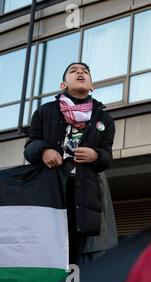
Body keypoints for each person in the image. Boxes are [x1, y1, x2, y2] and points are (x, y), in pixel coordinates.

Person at [24, 62, 115, 265]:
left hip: (85, 193)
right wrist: (43, 150)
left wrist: (96, 156)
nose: (80, 73)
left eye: (85, 72)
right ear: (63, 84)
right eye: (74, 71)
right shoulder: (45, 111)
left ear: (92, 85)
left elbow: (107, 157)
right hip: (51, 190)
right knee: (48, 247)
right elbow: (29, 148)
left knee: (79, 250)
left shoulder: (105, 119)